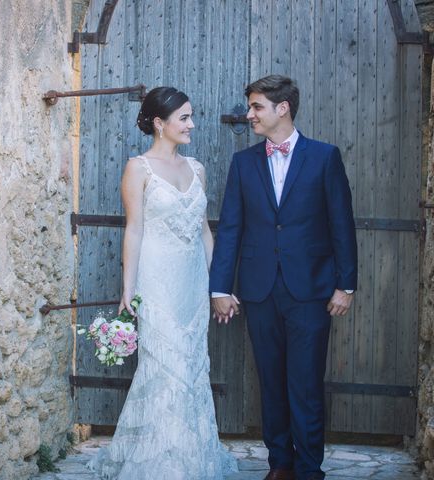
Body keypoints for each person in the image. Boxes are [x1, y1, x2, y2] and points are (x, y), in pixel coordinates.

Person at [209, 75, 357, 480]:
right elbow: (231, 229)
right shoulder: (244, 163)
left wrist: (346, 284)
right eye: (250, 106)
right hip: (258, 290)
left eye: (256, 107)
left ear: (283, 108)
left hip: (311, 291)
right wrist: (220, 287)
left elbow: (341, 224)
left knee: (305, 384)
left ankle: (310, 469)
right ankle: (281, 465)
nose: (249, 114)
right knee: (271, 383)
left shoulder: (325, 157)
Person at [88, 87, 238, 479]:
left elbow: (204, 231)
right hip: (156, 279)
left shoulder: (198, 169)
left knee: (191, 365)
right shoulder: (138, 168)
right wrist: (128, 288)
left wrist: (219, 284)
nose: (192, 124)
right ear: (160, 123)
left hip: (192, 280)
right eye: (184, 118)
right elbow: (134, 230)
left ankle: (194, 458)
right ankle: (160, 464)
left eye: (191, 117)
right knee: (162, 364)